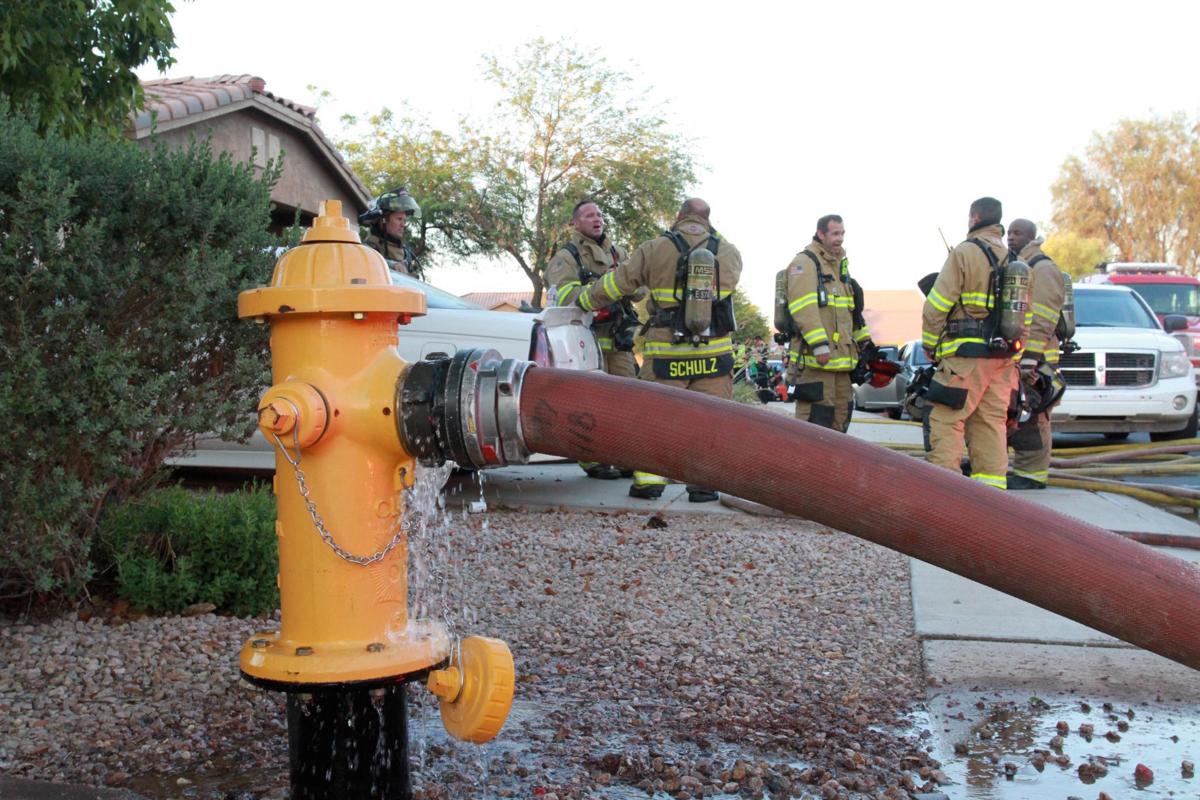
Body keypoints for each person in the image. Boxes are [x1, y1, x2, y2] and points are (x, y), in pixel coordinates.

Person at [576, 198, 743, 502]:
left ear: (679, 216)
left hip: (668, 352)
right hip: (714, 354)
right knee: (711, 420)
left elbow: (618, 284)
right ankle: (703, 486)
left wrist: (585, 301)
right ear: (707, 219)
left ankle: (650, 482)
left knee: (655, 416)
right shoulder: (730, 252)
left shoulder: (656, 248)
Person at [921, 197, 1018, 489]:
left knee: (946, 420)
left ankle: (946, 493)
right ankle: (992, 498)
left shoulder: (965, 253)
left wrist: (930, 344)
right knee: (989, 424)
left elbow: (937, 304)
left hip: (965, 357)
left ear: (974, 218)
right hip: (1001, 360)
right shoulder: (1014, 260)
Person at [545, 199, 636, 480]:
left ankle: (622, 456)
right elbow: (567, 296)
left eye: (599, 214)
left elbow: (641, 288)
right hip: (584, 336)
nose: (596, 219)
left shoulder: (618, 253)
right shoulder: (566, 256)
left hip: (618, 338)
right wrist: (606, 285)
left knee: (626, 399)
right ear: (576, 223)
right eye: (588, 215)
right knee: (589, 401)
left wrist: (626, 283)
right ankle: (590, 458)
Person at [783, 214, 874, 431]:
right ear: (820, 233)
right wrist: (819, 344)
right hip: (816, 363)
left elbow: (850, 312)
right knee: (815, 423)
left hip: (841, 364)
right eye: (835, 233)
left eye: (842, 233)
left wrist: (865, 341)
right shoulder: (805, 263)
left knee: (841, 418)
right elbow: (802, 308)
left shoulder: (839, 267)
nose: (840, 238)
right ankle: (806, 466)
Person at [1005, 218, 1066, 490]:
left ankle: (1033, 475)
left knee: (1035, 414)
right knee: (1019, 414)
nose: (1011, 237)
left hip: (1039, 358)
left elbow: (1042, 320)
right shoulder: (1020, 267)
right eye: (1009, 232)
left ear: (1031, 236)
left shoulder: (1043, 269)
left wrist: (1029, 363)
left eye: (1017, 233)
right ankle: (1022, 470)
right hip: (1022, 358)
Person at [359, 187, 420, 275]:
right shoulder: (366, 250)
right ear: (383, 220)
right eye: (399, 219)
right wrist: (391, 265)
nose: (403, 225)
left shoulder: (406, 255)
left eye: (404, 220)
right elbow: (370, 262)